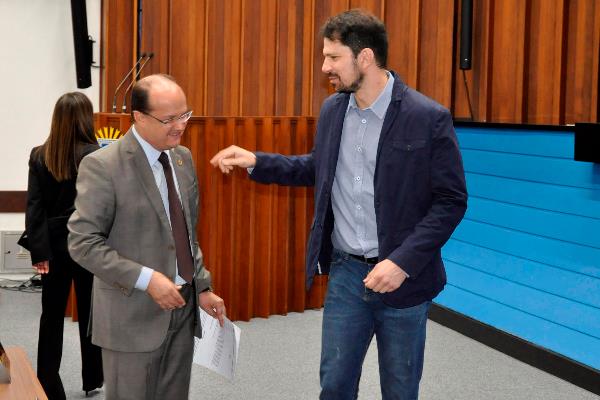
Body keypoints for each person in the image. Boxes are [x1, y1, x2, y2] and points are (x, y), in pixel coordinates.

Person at [210, 9, 467, 400]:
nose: (325, 66)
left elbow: (450, 202)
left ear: (365, 57)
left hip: (404, 276)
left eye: (333, 57)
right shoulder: (333, 111)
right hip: (346, 274)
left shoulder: (427, 118)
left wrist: (402, 263)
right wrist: (257, 162)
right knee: (334, 386)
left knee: (400, 390)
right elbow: (317, 167)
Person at [68, 74, 226, 399]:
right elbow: (83, 243)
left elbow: (184, 233)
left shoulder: (183, 159)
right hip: (131, 317)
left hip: (182, 310)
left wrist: (203, 286)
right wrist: (147, 279)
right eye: (168, 119)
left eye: (184, 115)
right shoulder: (102, 165)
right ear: (138, 117)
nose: (179, 126)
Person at [24, 92, 103, 399]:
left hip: (53, 249)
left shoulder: (39, 154)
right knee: (90, 313)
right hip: (89, 246)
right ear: (87, 118)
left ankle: (47, 383)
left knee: (51, 316)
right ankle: (92, 378)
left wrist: (39, 253)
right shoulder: (96, 155)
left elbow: (35, 209)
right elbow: (101, 208)